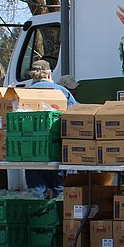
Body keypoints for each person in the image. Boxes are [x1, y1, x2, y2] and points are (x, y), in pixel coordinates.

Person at [24, 61, 72, 197]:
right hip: (57, 150)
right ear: (49, 73)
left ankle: (39, 217)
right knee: (59, 191)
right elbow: (76, 112)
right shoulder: (61, 91)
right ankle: (59, 216)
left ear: (32, 75)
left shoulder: (24, 93)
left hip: (31, 151)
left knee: (36, 193)